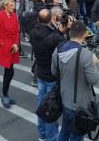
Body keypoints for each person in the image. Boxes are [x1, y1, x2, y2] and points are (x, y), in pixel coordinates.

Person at [51, 20, 99, 141]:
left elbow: (54, 73)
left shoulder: (58, 50)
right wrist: (95, 64)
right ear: (84, 35)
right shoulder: (86, 55)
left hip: (64, 99)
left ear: (70, 33)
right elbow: (93, 79)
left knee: (64, 131)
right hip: (80, 104)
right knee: (76, 136)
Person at [30, 9, 67, 141]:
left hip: (41, 73)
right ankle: (52, 137)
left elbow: (50, 39)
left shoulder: (34, 32)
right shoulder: (53, 37)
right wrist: (61, 31)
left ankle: (42, 134)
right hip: (51, 76)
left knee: (42, 105)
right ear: (51, 19)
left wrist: (57, 30)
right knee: (51, 108)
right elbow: (61, 45)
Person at [0, 0, 20, 108]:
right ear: (6, 6)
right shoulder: (0, 16)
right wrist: (0, 42)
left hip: (13, 46)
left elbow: (17, 31)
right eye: (11, 5)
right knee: (9, 71)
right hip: (5, 47)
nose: (13, 7)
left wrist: (16, 43)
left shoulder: (14, 15)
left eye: (14, 5)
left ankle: (5, 94)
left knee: (10, 71)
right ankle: (5, 94)